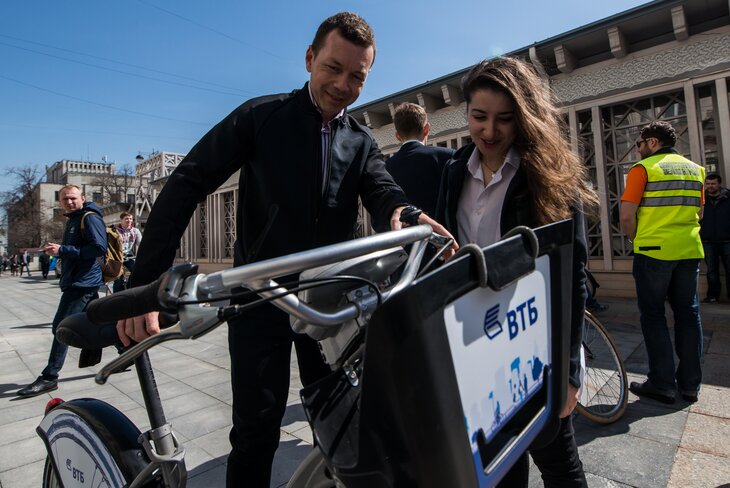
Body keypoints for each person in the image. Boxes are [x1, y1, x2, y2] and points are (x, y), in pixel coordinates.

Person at [115, 12, 456, 487]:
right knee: (255, 433)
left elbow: (383, 192)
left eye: (357, 77)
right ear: (310, 58)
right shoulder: (261, 117)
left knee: (340, 427)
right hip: (257, 301)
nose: (343, 85)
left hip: (328, 302)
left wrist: (407, 212)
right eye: (333, 68)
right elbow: (187, 182)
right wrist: (147, 285)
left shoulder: (360, 141)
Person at [435, 57, 598, 487]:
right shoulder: (453, 171)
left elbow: (573, 275)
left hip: (536, 346)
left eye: (504, 119)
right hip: (481, 349)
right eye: (479, 117)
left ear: (525, 116)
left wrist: (569, 371)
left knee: (558, 463)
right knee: (500, 467)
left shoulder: (549, 174)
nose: (489, 131)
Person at [620, 121, 704, 404]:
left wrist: (636, 238)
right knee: (688, 315)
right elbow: (700, 214)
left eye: (640, 143)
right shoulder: (696, 170)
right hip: (689, 250)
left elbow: (626, 216)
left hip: (653, 251)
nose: (638, 149)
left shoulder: (643, 169)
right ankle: (690, 385)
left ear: (653, 142)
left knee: (654, 315)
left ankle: (663, 383)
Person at [16, 184, 106, 398]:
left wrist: (62, 250)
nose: (69, 202)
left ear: (82, 197)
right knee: (99, 320)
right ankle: (126, 352)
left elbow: (99, 247)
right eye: (65, 199)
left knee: (61, 328)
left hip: (82, 283)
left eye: (73, 198)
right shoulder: (74, 219)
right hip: (79, 280)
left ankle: (50, 377)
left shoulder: (89, 218)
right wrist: (60, 250)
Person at [385, 102, 454, 217]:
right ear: (426, 129)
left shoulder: (385, 167)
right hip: (440, 227)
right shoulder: (448, 156)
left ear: (397, 136)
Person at [699, 172, 730, 303]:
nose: (710, 186)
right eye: (708, 184)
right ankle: (712, 296)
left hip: (727, 239)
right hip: (708, 240)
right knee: (711, 270)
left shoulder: (728, 197)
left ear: (719, 184)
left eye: (713, 184)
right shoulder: (702, 199)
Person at [112, 211, 143, 292]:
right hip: (117, 255)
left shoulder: (135, 231)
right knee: (119, 278)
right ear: (121, 220)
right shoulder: (115, 231)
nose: (129, 220)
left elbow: (141, 244)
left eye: (130, 219)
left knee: (136, 270)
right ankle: (117, 296)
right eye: (126, 219)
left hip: (128, 255)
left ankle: (129, 288)